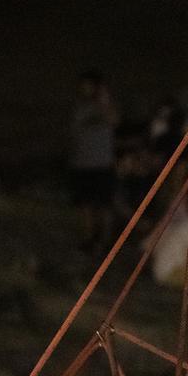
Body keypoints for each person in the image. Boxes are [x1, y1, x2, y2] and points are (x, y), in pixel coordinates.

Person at [68, 70, 119, 255]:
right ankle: (89, 239)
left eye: (88, 85)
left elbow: (114, 120)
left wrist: (103, 99)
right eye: (82, 85)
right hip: (81, 164)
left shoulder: (105, 106)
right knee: (85, 205)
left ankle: (105, 241)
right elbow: (74, 134)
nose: (84, 88)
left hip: (102, 164)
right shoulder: (79, 107)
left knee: (104, 204)